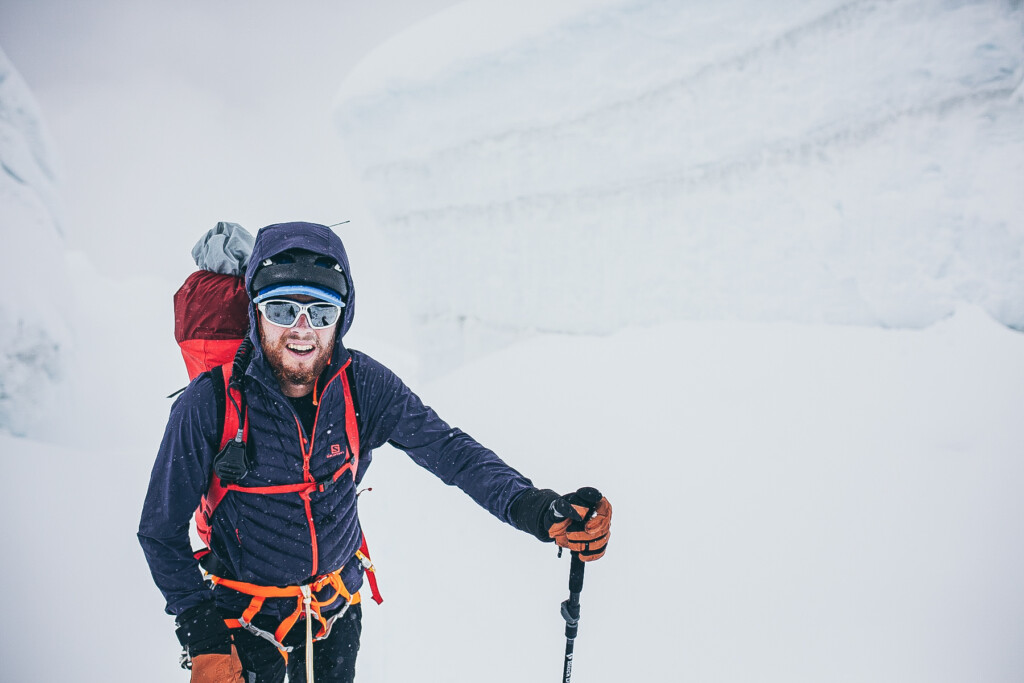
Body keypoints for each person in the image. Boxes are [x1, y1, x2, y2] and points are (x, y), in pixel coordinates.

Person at [138, 221, 613, 683]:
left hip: (336, 610)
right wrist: (202, 635)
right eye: (282, 310)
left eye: (321, 313)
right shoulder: (211, 401)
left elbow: (450, 451)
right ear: (255, 311)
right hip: (242, 622)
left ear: (343, 316)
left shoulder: (363, 386)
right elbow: (160, 531)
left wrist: (531, 507)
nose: (302, 331)